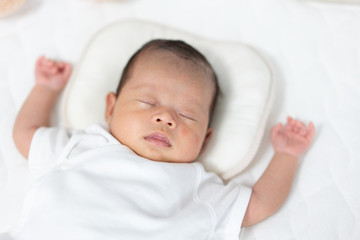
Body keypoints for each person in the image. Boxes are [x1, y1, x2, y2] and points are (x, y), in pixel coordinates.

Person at [12, 40, 315, 239]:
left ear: (205, 140)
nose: (166, 118)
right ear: (111, 108)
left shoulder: (196, 185)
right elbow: (26, 134)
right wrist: (45, 89)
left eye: (187, 116)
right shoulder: (81, 148)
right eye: (147, 102)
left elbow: (259, 204)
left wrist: (286, 155)